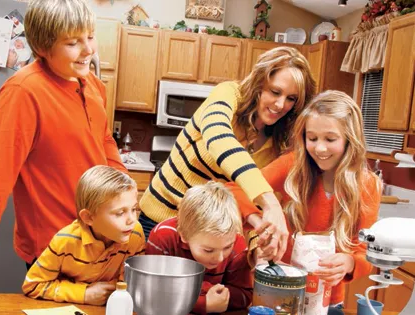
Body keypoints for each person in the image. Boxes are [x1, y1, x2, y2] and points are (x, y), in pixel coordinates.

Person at [0, 0, 127, 292]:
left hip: (98, 244)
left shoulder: (93, 86)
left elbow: (105, 141)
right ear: (43, 48)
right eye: (73, 42)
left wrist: (124, 200)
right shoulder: (23, 92)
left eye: (90, 37)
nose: (89, 50)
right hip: (53, 246)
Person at [139, 46, 317, 259]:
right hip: (160, 222)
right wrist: (269, 202)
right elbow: (219, 138)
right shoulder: (229, 94)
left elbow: (242, 198)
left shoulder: (277, 144)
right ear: (259, 84)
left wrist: (257, 245)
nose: (280, 105)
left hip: (211, 240)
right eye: (275, 92)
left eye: (291, 99)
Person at [227, 90, 382, 309]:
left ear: (350, 139)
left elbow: (366, 251)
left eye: (330, 139)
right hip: (279, 293)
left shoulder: (368, 185)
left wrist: (350, 263)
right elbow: (235, 189)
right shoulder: (291, 166)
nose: (320, 148)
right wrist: (261, 221)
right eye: (312, 138)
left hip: (329, 301)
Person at [22, 166, 144, 305]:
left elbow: (132, 284)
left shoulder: (134, 234)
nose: (132, 219)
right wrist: (84, 294)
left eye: (134, 209)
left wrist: (118, 288)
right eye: (120, 213)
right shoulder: (65, 241)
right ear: (88, 217)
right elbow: (32, 285)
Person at [146, 181, 252, 315]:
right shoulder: (162, 237)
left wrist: (190, 293)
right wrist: (203, 302)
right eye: (208, 250)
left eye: (227, 247)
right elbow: (153, 293)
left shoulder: (237, 241)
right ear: (184, 235)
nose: (219, 258)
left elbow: (245, 296)